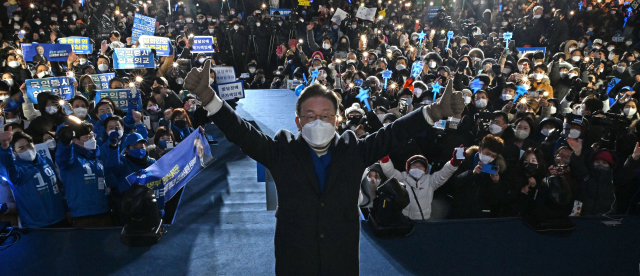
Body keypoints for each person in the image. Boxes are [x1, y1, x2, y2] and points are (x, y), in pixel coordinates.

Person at [183, 61, 465, 275]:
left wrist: (434, 112)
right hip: (295, 261)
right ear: (298, 122)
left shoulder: (355, 150)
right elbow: (241, 132)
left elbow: (394, 132)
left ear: (337, 120)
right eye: (310, 116)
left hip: (340, 262)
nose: (318, 122)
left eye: (325, 115)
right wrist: (209, 98)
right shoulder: (281, 151)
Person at [0, 128, 67, 228]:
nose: (27, 149)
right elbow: (7, 169)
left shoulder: (45, 161)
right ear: (14, 153)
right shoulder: (17, 170)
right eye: (21, 148)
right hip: (36, 224)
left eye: (29, 145)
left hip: (60, 218)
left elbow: (59, 186)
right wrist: (5, 149)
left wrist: (67, 209)